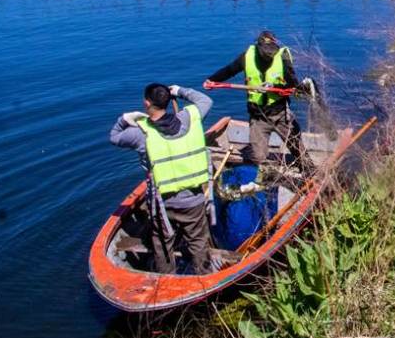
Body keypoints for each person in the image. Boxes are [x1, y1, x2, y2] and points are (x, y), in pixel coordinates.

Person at [110, 83, 213, 274]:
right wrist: (180, 91)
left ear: (146, 103)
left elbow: (114, 137)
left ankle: (166, 278)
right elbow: (205, 100)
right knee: (198, 241)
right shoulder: (189, 119)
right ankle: (204, 277)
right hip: (193, 200)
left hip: (161, 205)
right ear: (168, 100)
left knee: (163, 244)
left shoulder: (140, 133)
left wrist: (125, 119)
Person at [206, 30, 320, 171]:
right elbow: (230, 70)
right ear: (259, 47)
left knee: (298, 150)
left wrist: (274, 86)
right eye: (265, 51)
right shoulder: (247, 56)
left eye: (271, 51)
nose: (268, 54)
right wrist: (212, 80)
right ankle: (263, 176)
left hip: (281, 115)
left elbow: (292, 84)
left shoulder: (282, 56)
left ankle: (309, 172)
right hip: (258, 117)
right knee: (258, 158)